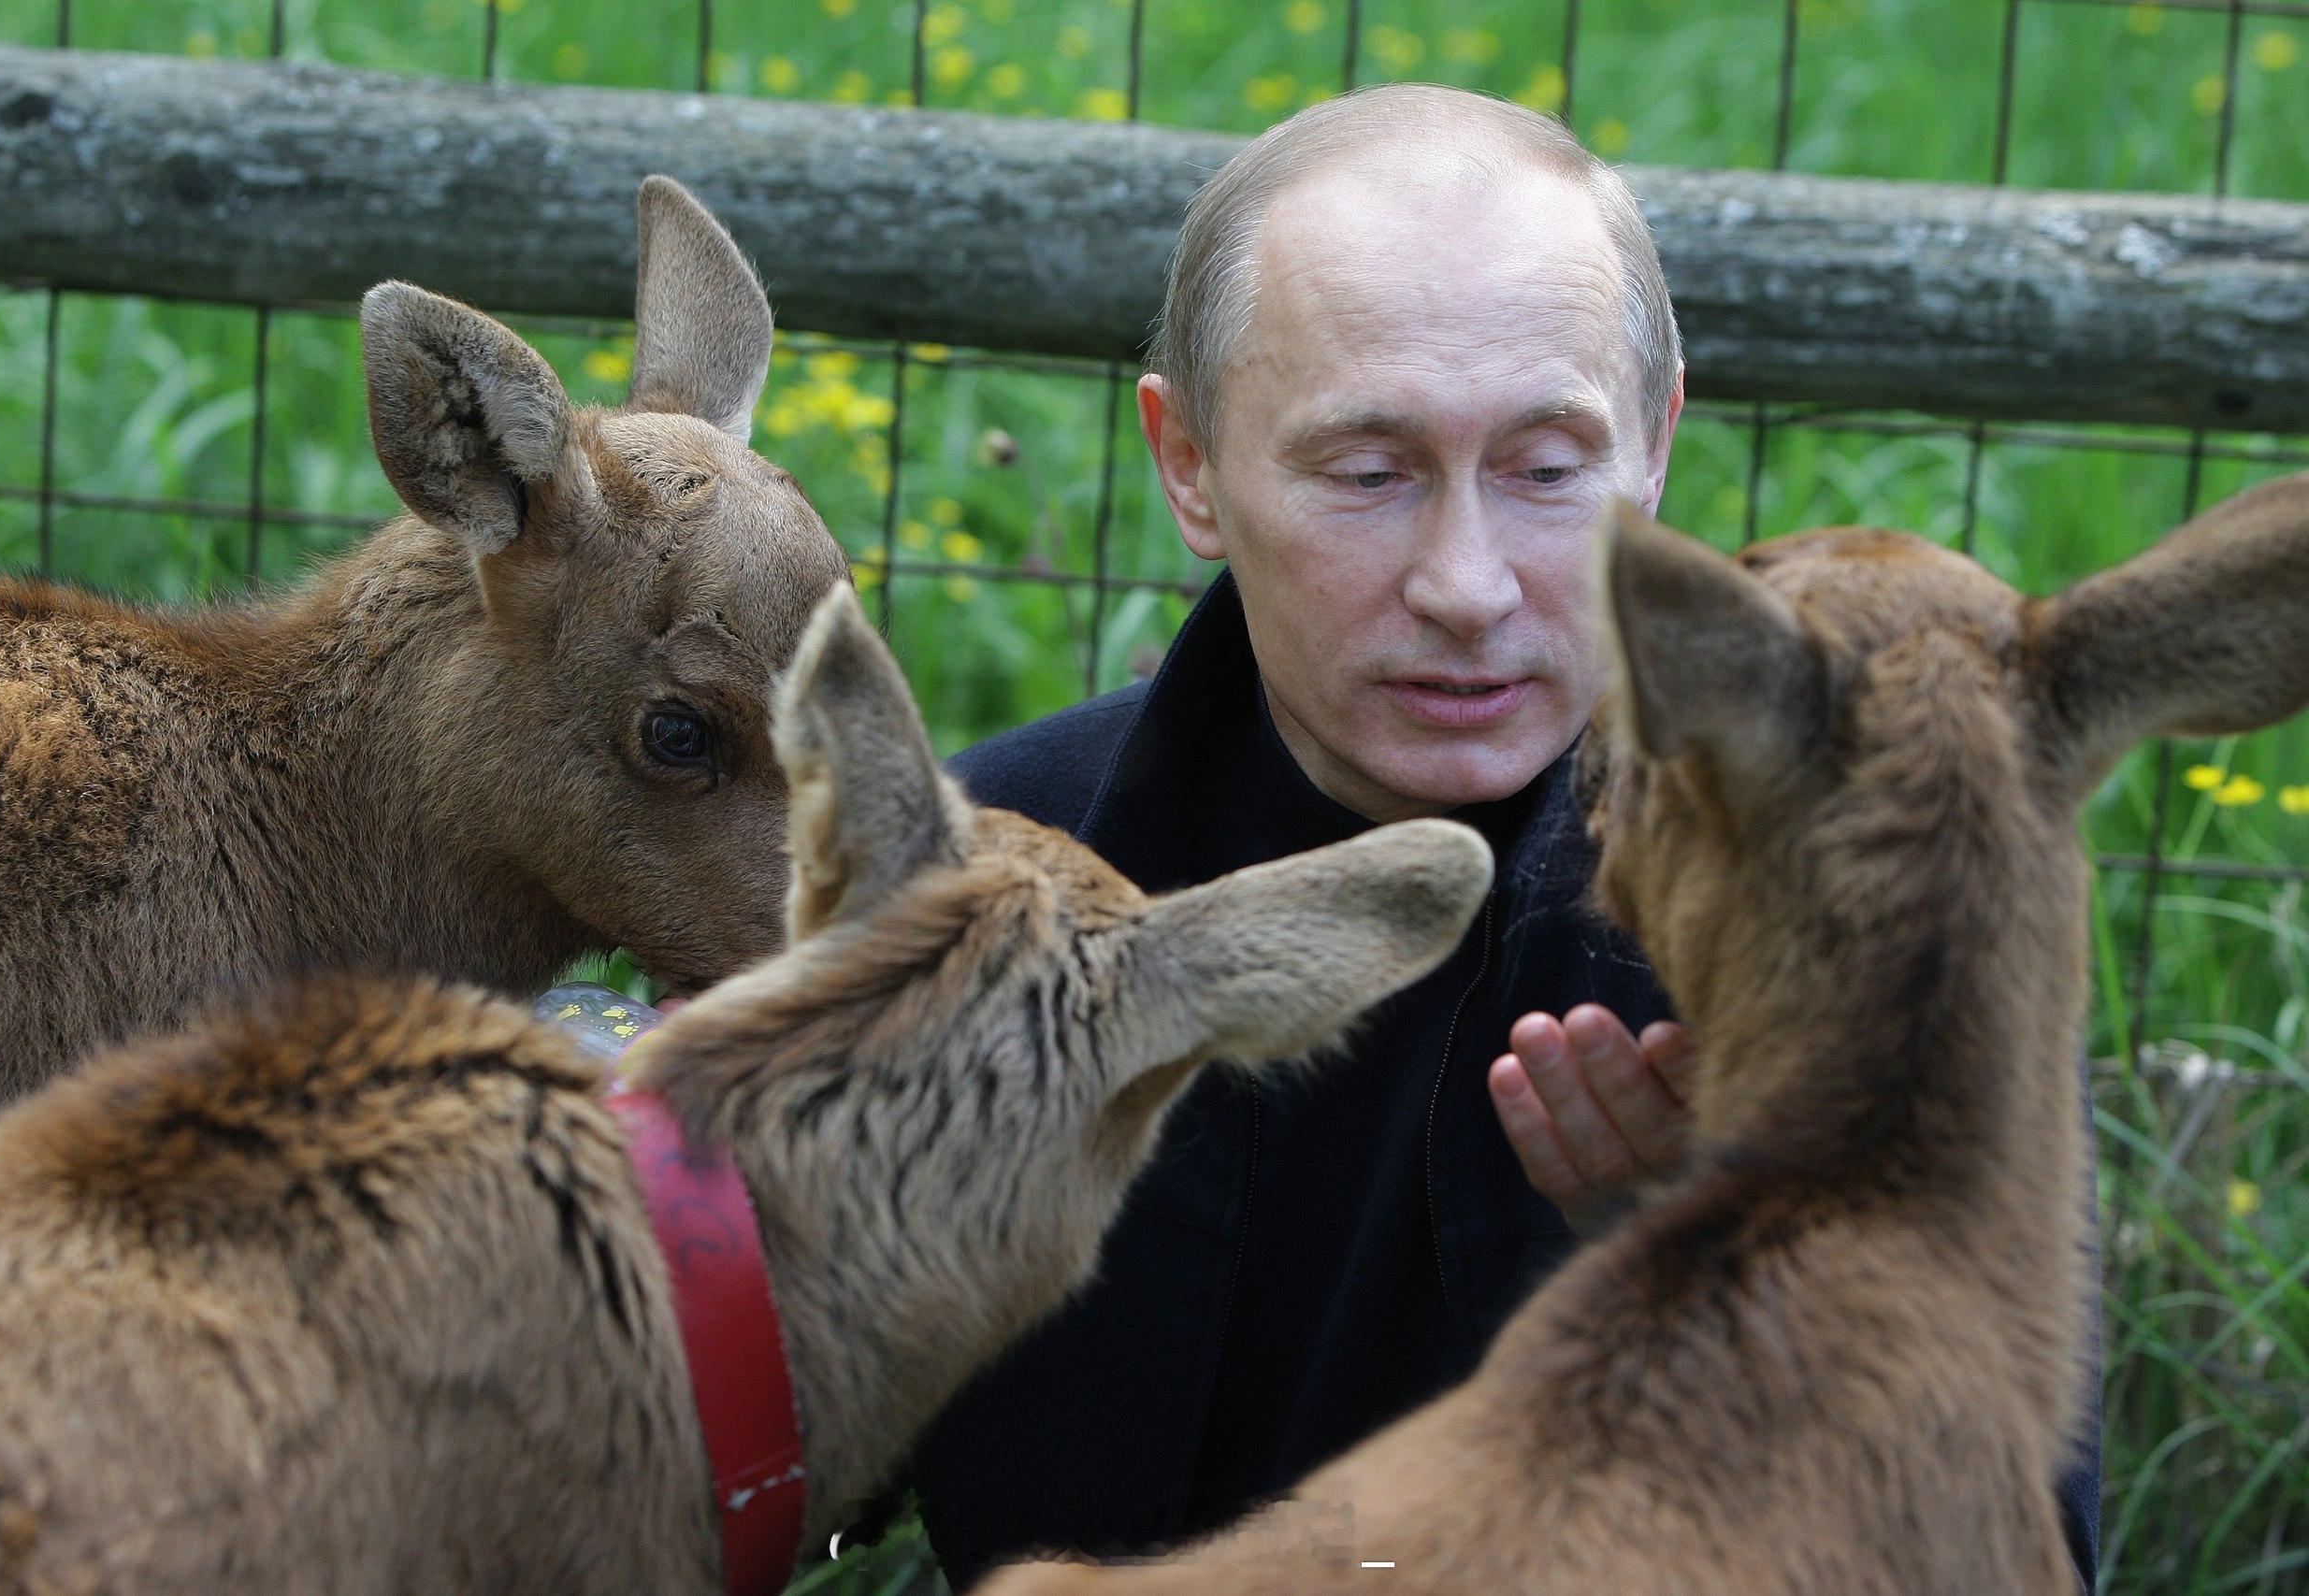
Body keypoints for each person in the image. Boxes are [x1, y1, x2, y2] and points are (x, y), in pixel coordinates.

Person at [897, 83, 2101, 1589]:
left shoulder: (1856, 916)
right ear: (1189, 462)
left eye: (1545, 469)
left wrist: (1746, 1285)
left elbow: (2025, 1553)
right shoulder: (968, 876)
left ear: (1653, 447)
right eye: (1368, 472)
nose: (1467, 586)